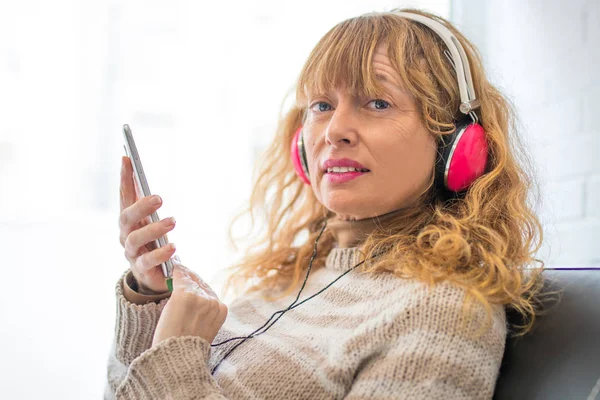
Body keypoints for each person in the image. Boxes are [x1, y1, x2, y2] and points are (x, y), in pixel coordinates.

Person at [105, 8, 546, 400]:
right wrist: (149, 300)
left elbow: (172, 377)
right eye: (321, 105)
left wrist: (174, 355)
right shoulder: (284, 283)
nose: (335, 130)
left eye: (377, 102)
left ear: (455, 144)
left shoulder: (442, 314)